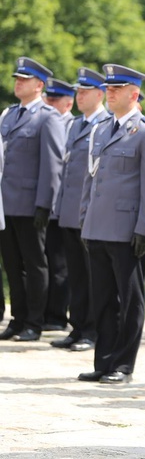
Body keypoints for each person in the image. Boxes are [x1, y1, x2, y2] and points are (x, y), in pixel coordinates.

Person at [77, 64, 145, 384]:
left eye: (117, 89)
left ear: (134, 94)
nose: (110, 94)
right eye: (108, 89)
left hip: (127, 229)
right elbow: (92, 179)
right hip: (98, 226)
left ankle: (123, 365)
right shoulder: (101, 129)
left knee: (130, 301)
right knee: (101, 298)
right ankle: (103, 361)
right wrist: (84, 219)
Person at [0, 57, 65, 342]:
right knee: (12, 264)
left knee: (34, 263)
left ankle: (35, 322)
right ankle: (19, 318)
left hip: (30, 204)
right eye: (17, 78)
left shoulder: (48, 117)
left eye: (24, 79)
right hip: (7, 202)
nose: (18, 82)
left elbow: (52, 164)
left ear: (39, 85)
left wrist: (45, 203)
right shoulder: (9, 114)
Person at [49, 68, 110, 352]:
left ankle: (92, 330)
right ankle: (77, 327)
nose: (79, 95)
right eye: (78, 91)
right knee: (75, 274)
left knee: (91, 275)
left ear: (100, 94)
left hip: (90, 213)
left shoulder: (106, 124)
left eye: (85, 91)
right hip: (70, 211)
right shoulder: (74, 125)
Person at [41, 77, 77, 333]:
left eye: (54, 100)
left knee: (61, 266)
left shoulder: (73, 125)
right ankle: (46, 310)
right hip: (49, 206)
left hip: (65, 207)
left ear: (68, 103)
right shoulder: (48, 122)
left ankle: (57, 315)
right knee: (47, 260)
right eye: (48, 99)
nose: (49, 103)